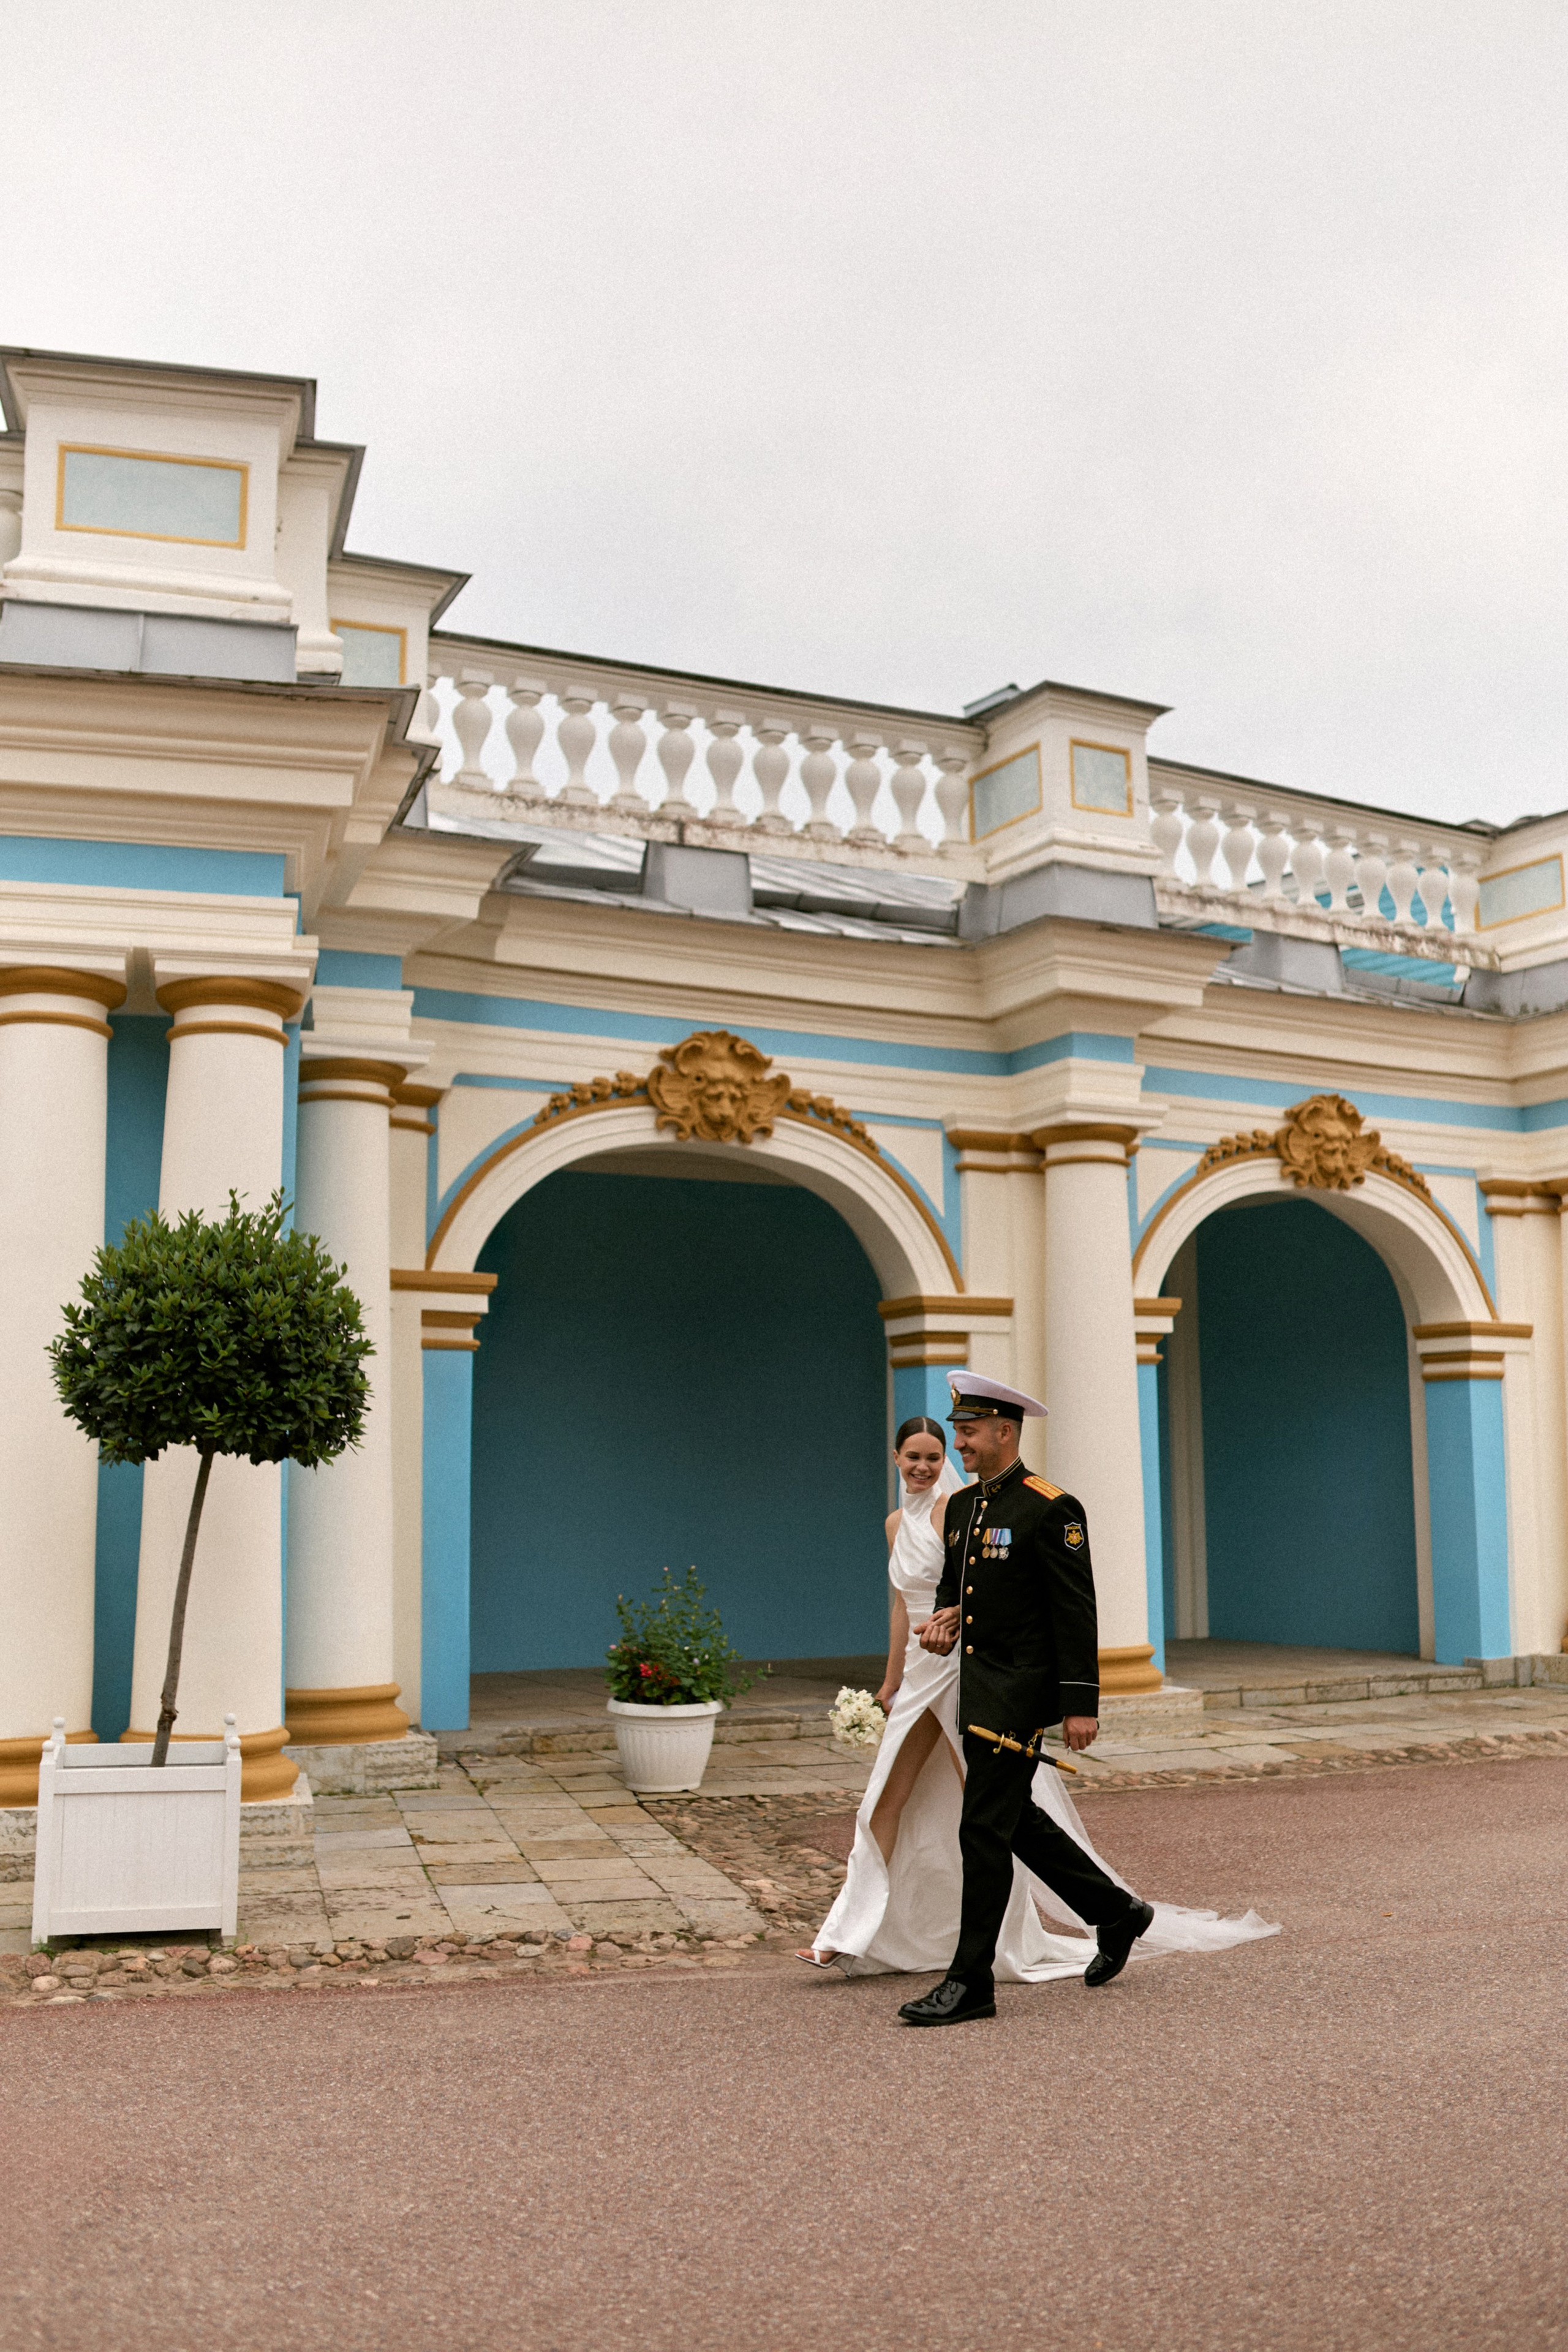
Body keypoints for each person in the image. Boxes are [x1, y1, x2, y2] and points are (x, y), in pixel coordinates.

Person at [802, 1374, 1277, 2009]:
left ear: (1005, 1431)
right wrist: (943, 1623)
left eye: (968, 1433)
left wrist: (1080, 1703)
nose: (959, 1444)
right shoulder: (966, 1507)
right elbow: (956, 1592)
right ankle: (1117, 1912)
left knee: (982, 1828)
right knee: (1012, 1820)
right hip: (968, 1688)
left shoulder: (1050, 1507)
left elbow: (1074, 1613)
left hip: (1019, 1694)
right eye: (958, 1432)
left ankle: (968, 1982)